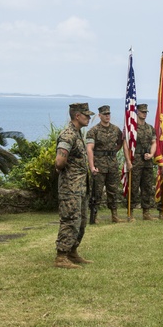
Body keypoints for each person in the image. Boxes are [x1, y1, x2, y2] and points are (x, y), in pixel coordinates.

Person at [55, 102, 95, 268]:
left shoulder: (78, 134)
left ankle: (72, 251)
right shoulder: (68, 135)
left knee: (81, 221)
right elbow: (59, 161)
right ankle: (61, 257)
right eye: (86, 115)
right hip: (70, 188)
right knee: (70, 219)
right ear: (77, 116)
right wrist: (67, 172)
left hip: (80, 187)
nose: (88, 118)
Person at [85, 105, 124, 224]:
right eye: (105, 114)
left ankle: (114, 215)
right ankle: (94, 216)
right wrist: (91, 166)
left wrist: (112, 152)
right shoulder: (93, 131)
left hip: (112, 164)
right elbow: (89, 149)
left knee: (113, 190)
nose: (107, 116)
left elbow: (120, 142)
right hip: (99, 165)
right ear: (99, 115)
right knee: (97, 191)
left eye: (109, 114)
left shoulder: (116, 130)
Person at [127, 103, 156, 220]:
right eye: (142, 111)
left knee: (147, 186)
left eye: (145, 112)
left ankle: (146, 212)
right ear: (137, 112)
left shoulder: (150, 128)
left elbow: (154, 142)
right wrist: (129, 161)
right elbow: (126, 144)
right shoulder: (132, 127)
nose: (144, 114)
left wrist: (152, 154)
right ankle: (131, 212)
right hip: (136, 159)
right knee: (134, 186)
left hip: (147, 160)